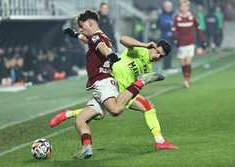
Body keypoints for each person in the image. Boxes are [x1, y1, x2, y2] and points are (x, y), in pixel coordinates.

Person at [61, 10, 165, 159]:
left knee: (115, 110)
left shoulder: (97, 37)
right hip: (98, 86)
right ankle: (87, 147)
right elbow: (91, 41)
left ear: (90, 24)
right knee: (80, 120)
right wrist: (76, 35)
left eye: (81, 27)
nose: (80, 30)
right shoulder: (99, 36)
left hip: (103, 81)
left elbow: (103, 48)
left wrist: (109, 55)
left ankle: (142, 81)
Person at [49, 35, 177, 156]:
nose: (157, 56)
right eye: (157, 52)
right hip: (111, 85)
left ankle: (69, 114)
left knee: (105, 114)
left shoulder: (148, 67)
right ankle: (160, 141)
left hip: (124, 92)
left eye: (161, 56)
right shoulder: (140, 50)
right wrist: (144, 45)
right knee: (108, 113)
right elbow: (123, 39)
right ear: (154, 47)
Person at [172, 0, 206, 88]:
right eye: (182, 6)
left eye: (185, 6)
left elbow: (198, 29)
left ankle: (186, 79)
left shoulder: (192, 17)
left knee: (188, 61)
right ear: (180, 7)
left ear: (188, 7)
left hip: (190, 43)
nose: (184, 8)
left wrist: (202, 40)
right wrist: (175, 39)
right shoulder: (177, 18)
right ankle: (186, 78)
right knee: (183, 63)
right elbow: (174, 30)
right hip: (181, 43)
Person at [157, 0, 176, 72]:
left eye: (170, 6)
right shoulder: (161, 15)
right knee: (165, 51)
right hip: (165, 36)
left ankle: (169, 66)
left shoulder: (173, 14)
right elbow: (161, 25)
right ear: (164, 7)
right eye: (167, 6)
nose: (169, 8)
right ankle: (166, 66)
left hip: (172, 36)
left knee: (170, 51)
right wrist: (169, 24)